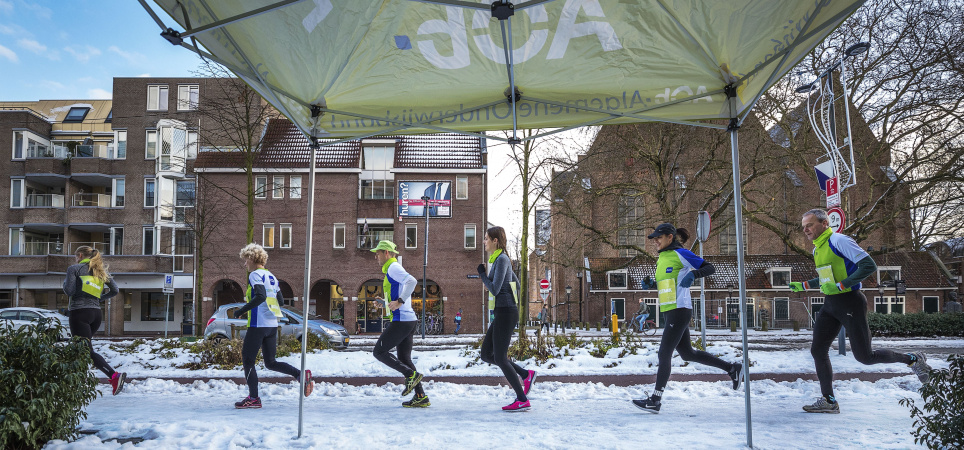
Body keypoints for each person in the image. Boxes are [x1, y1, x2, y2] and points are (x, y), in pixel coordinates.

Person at [790, 209, 931, 414]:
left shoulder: (839, 241)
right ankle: (829, 400)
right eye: (803, 226)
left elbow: (868, 265)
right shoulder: (817, 249)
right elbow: (827, 278)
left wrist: (842, 286)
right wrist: (804, 285)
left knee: (865, 356)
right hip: (831, 304)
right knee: (818, 350)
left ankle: (913, 359)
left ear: (824, 223)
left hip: (850, 303)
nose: (805, 229)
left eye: (809, 224)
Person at [633, 223, 743, 413]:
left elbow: (710, 268)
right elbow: (669, 281)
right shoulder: (662, 258)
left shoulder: (681, 254)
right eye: (654, 239)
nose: (655, 241)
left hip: (679, 309)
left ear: (670, 237)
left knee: (664, 353)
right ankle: (732, 369)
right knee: (687, 353)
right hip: (670, 310)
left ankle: (655, 400)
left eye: (659, 238)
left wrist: (693, 275)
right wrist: (651, 282)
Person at [233, 243, 313, 409]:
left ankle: (254, 398)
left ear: (252, 258)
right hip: (271, 324)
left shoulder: (255, 275)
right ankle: (299, 375)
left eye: (245, 259)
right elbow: (281, 301)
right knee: (270, 362)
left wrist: (242, 310)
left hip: (257, 324)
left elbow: (261, 296)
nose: (244, 263)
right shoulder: (272, 277)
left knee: (248, 360)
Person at [477, 226, 535, 412]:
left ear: (495, 241)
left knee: (500, 358)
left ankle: (521, 399)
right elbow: (516, 284)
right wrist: (507, 298)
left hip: (506, 311)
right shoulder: (500, 260)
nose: (484, 242)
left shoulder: (501, 260)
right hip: (503, 311)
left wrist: (482, 275)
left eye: (486, 238)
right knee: (486, 354)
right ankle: (525, 374)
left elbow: (493, 288)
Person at [370, 240, 430, 408]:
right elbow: (398, 294)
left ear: (387, 253)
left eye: (378, 253)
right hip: (407, 319)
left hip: (402, 320)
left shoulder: (393, 267)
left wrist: (400, 301)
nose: (376, 256)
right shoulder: (391, 269)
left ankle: (410, 375)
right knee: (404, 358)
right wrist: (385, 303)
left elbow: (412, 282)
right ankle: (420, 396)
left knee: (379, 351)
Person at [64, 246, 125, 395]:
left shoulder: (74, 269)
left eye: (76, 257)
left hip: (79, 313)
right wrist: (99, 298)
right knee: (80, 349)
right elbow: (115, 290)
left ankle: (114, 376)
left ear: (79, 255)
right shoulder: (100, 271)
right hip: (96, 314)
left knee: (85, 350)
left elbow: (69, 291)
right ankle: (75, 382)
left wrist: (66, 283)